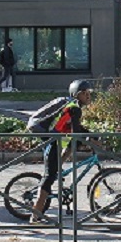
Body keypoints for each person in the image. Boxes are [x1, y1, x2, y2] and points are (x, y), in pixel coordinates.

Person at [28, 79, 97, 224]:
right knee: (49, 176)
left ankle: (58, 165)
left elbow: (75, 129)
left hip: (54, 138)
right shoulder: (74, 108)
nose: (89, 97)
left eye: (89, 93)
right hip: (52, 140)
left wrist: (92, 135)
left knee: (73, 144)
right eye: (85, 93)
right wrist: (92, 139)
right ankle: (35, 216)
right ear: (78, 94)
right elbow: (76, 132)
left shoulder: (72, 106)